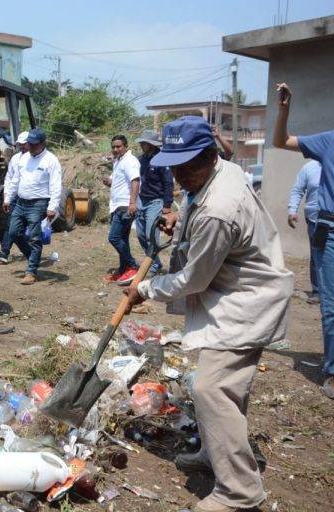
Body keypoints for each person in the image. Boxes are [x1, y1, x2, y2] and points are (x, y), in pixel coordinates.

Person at [125, 116, 293, 512]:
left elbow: (193, 279)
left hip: (247, 303)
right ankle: (215, 452)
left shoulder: (219, 208)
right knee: (225, 388)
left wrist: (144, 289)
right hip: (234, 293)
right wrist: (179, 220)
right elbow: (198, 209)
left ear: (209, 155)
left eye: (187, 166)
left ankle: (240, 491)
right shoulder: (221, 173)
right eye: (175, 166)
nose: (180, 176)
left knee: (211, 389)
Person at [273, 82, 334, 399]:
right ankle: (333, 370)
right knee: (332, 306)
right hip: (330, 229)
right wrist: (284, 110)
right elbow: (281, 141)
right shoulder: (328, 141)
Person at [2, 128, 62, 284]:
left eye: (34, 144)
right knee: (14, 233)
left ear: (42, 143)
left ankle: (31, 271)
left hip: (39, 203)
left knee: (35, 238)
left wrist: (52, 207)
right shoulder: (23, 159)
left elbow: (56, 185)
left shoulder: (51, 160)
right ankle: (32, 258)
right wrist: (8, 198)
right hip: (21, 202)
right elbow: (15, 180)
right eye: (29, 143)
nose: (30, 147)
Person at [103, 135, 140, 285]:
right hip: (117, 205)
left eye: (118, 146)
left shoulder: (130, 161)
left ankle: (132, 266)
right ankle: (123, 270)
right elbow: (121, 181)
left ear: (125, 146)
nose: (115, 149)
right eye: (113, 147)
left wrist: (132, 202)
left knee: (114, 237)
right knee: (123, 239)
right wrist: (110, 182)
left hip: (125, 206)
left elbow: (135, 181)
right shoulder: (119, 161)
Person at [135, 130, 173, 275]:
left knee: (151, 235)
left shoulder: (162, 160)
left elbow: (168, 183)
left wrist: (167, 206)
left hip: (155, 202)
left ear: (150, 144)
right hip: (141, 201)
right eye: (141, 143)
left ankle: (152, 265)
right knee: (140, 235)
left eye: (143, 143)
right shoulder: (141, 159)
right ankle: (155, 261)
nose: (141, 145)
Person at [0, 130, 30, 264]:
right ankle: (4, 252)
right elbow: (9, 178)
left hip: (33, 200)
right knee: (11, 226)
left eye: (24, 144)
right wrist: (7, 198)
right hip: (15, 198)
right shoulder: (15, 158)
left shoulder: (40, 158)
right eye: (20, 144)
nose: (22, 146)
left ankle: (32, 254)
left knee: (32, 229)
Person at [287, 160, 322, 303]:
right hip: (315, 219)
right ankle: (318, 291)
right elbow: (297, 190)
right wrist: (292, 210)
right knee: (317, 254)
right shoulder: (309, 167)